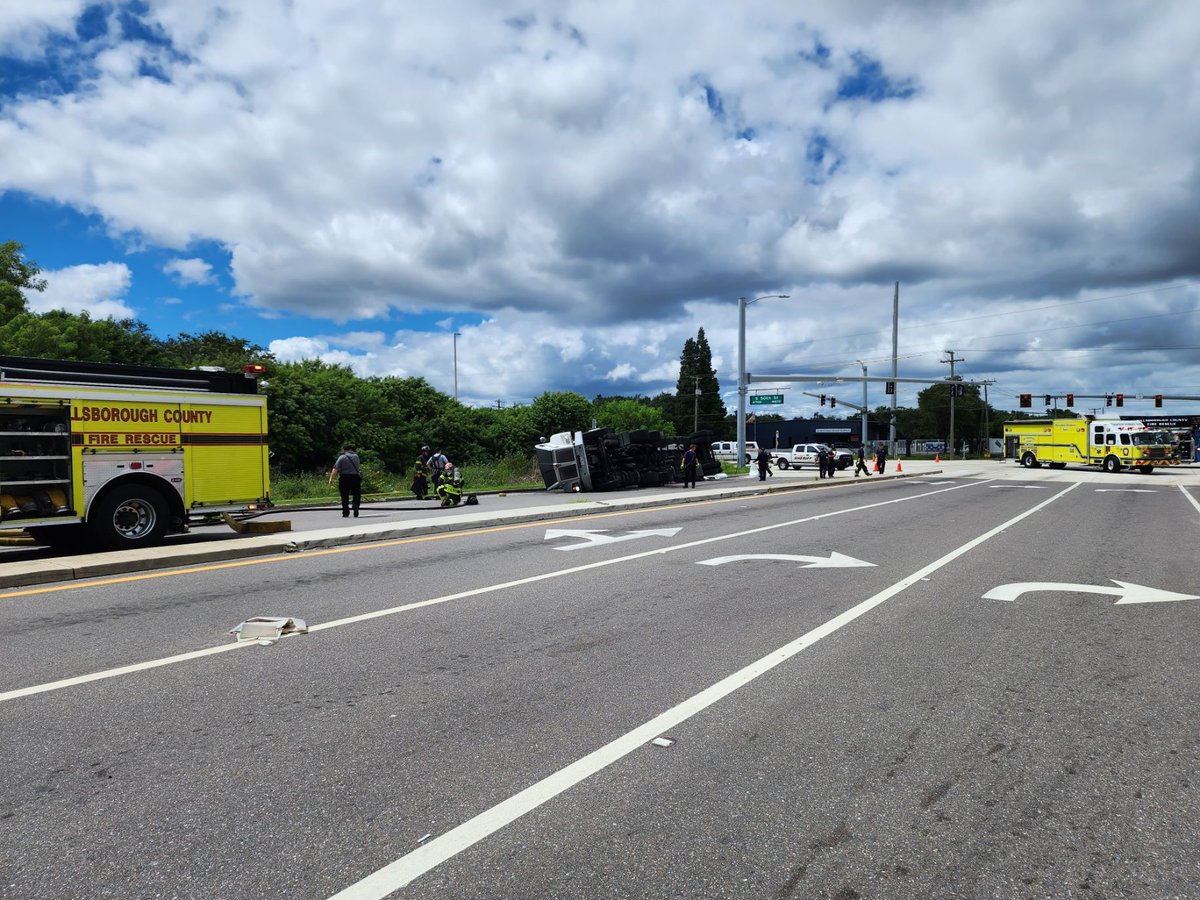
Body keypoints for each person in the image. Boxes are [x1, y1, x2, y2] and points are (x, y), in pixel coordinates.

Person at [328, 444, 362, 517]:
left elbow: (335, 469)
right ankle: (356, 506)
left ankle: (345, 512)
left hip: (345, 478)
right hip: (355, 477)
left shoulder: (342, 457)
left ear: (344, 450)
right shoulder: (356, 457)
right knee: (356, 494)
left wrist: (331, 478)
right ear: (351, 449)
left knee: (344, 495)